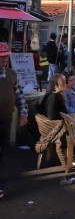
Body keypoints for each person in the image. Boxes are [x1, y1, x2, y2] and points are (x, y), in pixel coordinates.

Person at [0, 42, 28, 198]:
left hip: (6, 118)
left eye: (6, 57)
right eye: (1, 57)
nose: (4, 59)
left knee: (2, 150)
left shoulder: (12, 74)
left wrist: (23, 114)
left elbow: (19, 95)